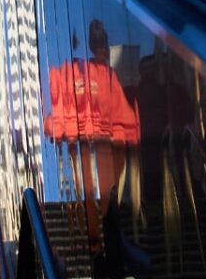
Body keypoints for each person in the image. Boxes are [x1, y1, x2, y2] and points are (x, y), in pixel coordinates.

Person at [45, 20, 142, 274]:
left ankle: (102, 251)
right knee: (97, 197)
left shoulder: (99, 75)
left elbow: (121, 114)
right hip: (91, 147)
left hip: (100, 146)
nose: (102, 49)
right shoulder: (81, 74)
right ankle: (101, 250)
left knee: (101, 198)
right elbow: (123, 116)